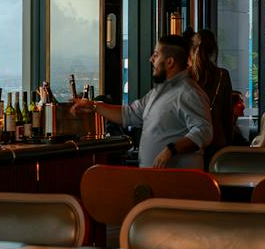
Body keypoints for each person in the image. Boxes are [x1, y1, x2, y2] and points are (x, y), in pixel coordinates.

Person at [71, 35, 211, 169]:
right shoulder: (158, 93)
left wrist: (171, 150)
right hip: (157, 178)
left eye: (156, 55)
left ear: (170, 62)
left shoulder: (189, 92)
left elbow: (204, 131)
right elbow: (129, 114)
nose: (151, 59)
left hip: (179, 181)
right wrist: (94, 106)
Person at [188, 30, 237, 163]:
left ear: (192, 50)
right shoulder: (222, 75)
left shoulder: (186, 76)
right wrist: (229, 141)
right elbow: (227, 114)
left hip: (191, 141)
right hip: (217, 140)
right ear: (213, 50)